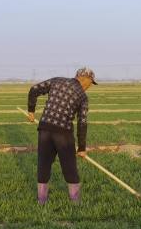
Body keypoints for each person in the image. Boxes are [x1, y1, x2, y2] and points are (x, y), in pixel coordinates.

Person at [26, 67, 97, 204]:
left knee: (44, 164)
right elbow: (82, 122)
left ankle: (41, 200)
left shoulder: (57, 80)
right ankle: (75, 201)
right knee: (69, 165)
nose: (89, 86)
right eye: (90, 83)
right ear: (84, 79)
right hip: (63, 133)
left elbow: (34, 89)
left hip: (45, 128)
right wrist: (81, 148)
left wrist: (31, 111)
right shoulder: (82, 96)